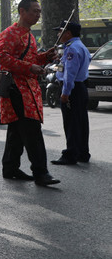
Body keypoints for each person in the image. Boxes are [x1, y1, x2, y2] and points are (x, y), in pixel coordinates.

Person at [0, 0, 60, 186]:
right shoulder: (9, 33)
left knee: (16, 129)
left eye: (39, 11)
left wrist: (44, 57)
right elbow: (1, 57)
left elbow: (32, 59)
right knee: (31, 129)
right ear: (22, 11)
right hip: (17, 88)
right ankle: (41, 172)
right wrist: (29, 67)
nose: (38, 15)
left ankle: (10, 167)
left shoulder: (30, 35)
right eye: (34, 11)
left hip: (28, 88)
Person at [51, 21, 91, 166]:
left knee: (71, 123)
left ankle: (70, 154)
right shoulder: (80, 46)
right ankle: (82, 152)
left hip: (73, 89)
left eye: (60, 31)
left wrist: (65, 92)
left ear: (68, 33)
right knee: (81, 122)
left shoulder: (72, 49)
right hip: (81, 87)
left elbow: (70, 74)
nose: (58, 34)